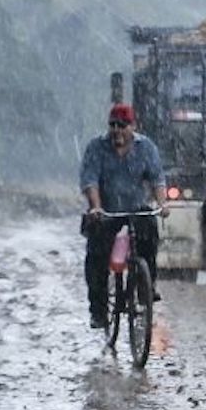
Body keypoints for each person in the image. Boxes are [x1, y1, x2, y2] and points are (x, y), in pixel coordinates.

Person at [80, 103, 168, 329]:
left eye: (123, 125)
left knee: (149, 236)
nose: (117, 131)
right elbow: (90, 181)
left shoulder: (146, 147)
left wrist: (163, 204)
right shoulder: (96, 148)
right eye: (113, 125)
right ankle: (98, 311)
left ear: (133, 126)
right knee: (96, 257)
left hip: (136, 208)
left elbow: (157, 179)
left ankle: (146, 286)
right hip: (107, 210)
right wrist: (96, 207)